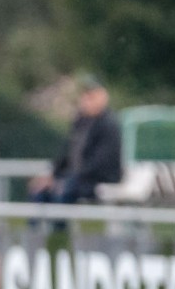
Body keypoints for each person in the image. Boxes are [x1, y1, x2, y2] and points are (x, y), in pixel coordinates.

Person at [29, 75, 122, 207]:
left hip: (97, 180)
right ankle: (39, 227)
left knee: (63, 190)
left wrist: (69, 178)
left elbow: (100, 163)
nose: (85, 99)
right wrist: (52, 174)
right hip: (76, 178)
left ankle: (59, 226)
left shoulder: (109, 124)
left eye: (90, 95)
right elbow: (66, 153)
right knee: (40, 189)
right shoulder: (80, 122)